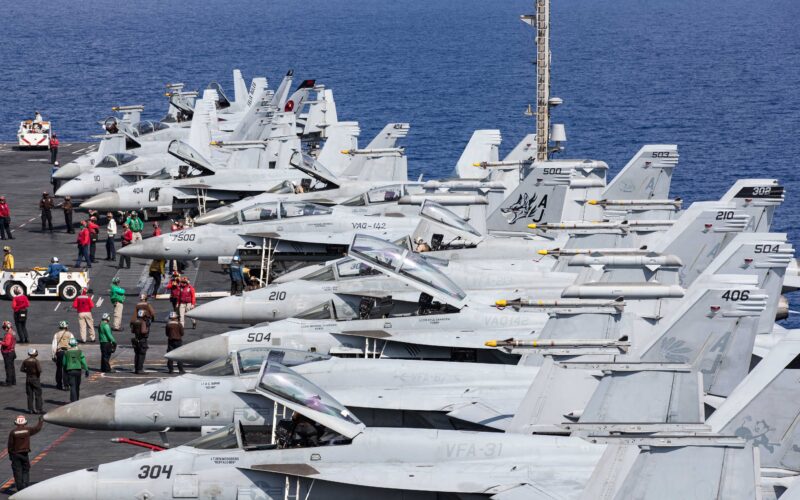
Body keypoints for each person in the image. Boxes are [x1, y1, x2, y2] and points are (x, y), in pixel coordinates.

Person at [7, 414, 44, 492]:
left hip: (15, 454)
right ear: (25, 423)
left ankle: (20, 488)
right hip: (24, 454)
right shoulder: (27, 430)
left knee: (17, 472)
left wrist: (10, 455)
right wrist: (40, 421)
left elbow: (10, 445)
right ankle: (25, 487)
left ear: (16, 423)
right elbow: (37, 429)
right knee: (25, 470)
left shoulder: (13, 432)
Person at [50, 321, 73, 391]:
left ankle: (59, 384)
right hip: (68, 352)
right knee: (66, 369)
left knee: (59, 369)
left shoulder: (56, 334)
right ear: (66, 327)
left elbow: (54, 346)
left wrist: (53, 355)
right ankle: (66, 385)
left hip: (60, 352)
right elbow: (73, 344)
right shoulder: (70, 334)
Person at [19, 349, 42, 414]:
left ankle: (30, 409)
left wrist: (28, 372)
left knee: (29, 395)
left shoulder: (25, 361)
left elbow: (22, 369)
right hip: (35, 378)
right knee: (38, 394)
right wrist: (37, 374)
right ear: (34, 354)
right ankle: (38, 409)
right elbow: (39, 370)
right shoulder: (36, 361)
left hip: (28, 378)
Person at [130, 309, 149, 374]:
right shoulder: (143, 322)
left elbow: (132, 331)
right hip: (142, 340)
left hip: (136, 339)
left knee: (137, 355)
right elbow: (143, 331)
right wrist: (147, 329)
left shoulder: (135, 321)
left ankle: (136, 368)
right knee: (141, 355)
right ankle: (140, 369)